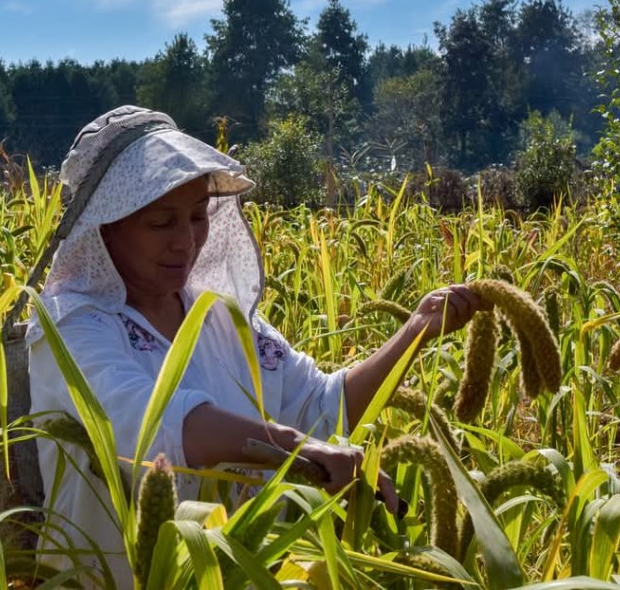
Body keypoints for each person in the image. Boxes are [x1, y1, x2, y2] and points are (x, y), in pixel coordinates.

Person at [27, 105, 488, 586]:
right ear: (104, 229)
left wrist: (414, 332)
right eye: (161, 223)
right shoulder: (69, 326)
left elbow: (321, 405)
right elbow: (158, 425)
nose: (186, 241)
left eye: (197, 216)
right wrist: (298, 447)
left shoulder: (219, 318)